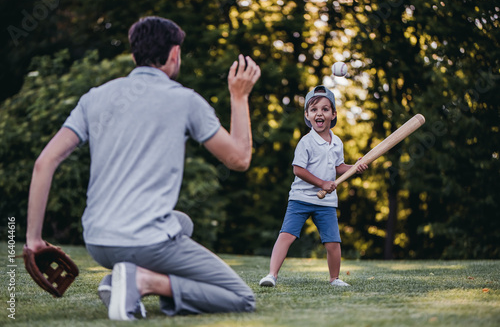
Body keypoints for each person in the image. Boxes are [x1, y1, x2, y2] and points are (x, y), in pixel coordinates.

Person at [25, 16, 261, 320]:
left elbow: (44, 163)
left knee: (183, 224)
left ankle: (117, 281)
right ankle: (143, 281)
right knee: (241, 298)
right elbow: (239, 160)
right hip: (146, 243)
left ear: (135, 54)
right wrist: (239, 96)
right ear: (174, 54)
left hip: (98, 241)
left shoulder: (94, 97)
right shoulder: (186, 100)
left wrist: (33, 239)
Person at [258, 85, 367, 288]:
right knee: (286, 236)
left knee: (333, 242)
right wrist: (322, 183)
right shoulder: (306, 142)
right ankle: (271, 275)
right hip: (300, 198)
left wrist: (355, 167)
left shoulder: (337, 142)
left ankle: (334, 279)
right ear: (307, 115)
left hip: (326, 202)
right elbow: (298, 170)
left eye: (325, 109)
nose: (320, 113)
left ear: (333, 114)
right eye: (314, 109)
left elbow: (340, 167)